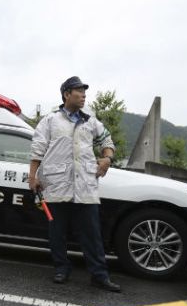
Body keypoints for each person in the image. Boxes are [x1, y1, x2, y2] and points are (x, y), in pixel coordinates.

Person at [28, 76, 121, 292]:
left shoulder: (91, 121)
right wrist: (33, 176)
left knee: (92, 234)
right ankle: (61, 268)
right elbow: (37, 149)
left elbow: (107, 141)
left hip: (85, 185)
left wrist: (107, 159)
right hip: (56, 184)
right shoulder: (50, 120)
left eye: (84, 92)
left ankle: (99, 275)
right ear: (66, 94)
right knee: (57, 232)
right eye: (79, 91)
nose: (83, 96)